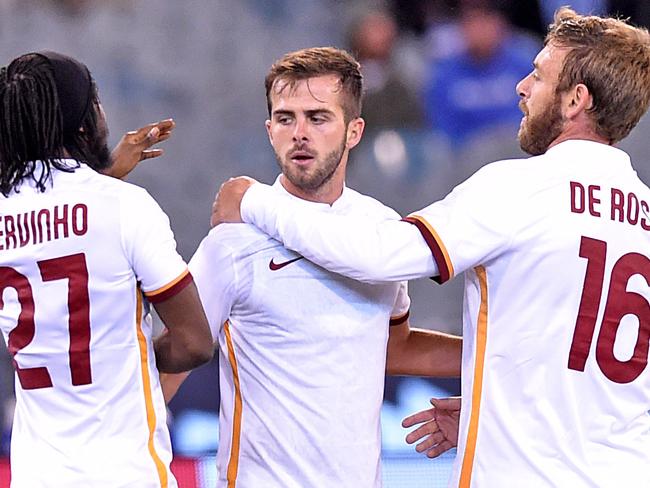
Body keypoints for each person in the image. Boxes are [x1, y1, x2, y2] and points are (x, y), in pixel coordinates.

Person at [213, 9, 650, 486]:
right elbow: (578, 348)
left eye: (539, 75)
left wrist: (252, 200)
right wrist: (497, 404)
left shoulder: (522, 188)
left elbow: (378, 254)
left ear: (574, 101)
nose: (521, 87)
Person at [164, 47, 461, 487]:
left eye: (318, 118)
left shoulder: (380, 231)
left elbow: (393, 348)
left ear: (355, 131)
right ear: (269, 131)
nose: (299, 133)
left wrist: (495, 353)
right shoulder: (233, 240)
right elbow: (172, 363)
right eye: (286, 119)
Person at [0, 51, 213, 487]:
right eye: (94, 102)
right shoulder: (123, 206)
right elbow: (195, 343)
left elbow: (51, 237)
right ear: (82, 124)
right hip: (125, 472)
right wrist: (116, 357)